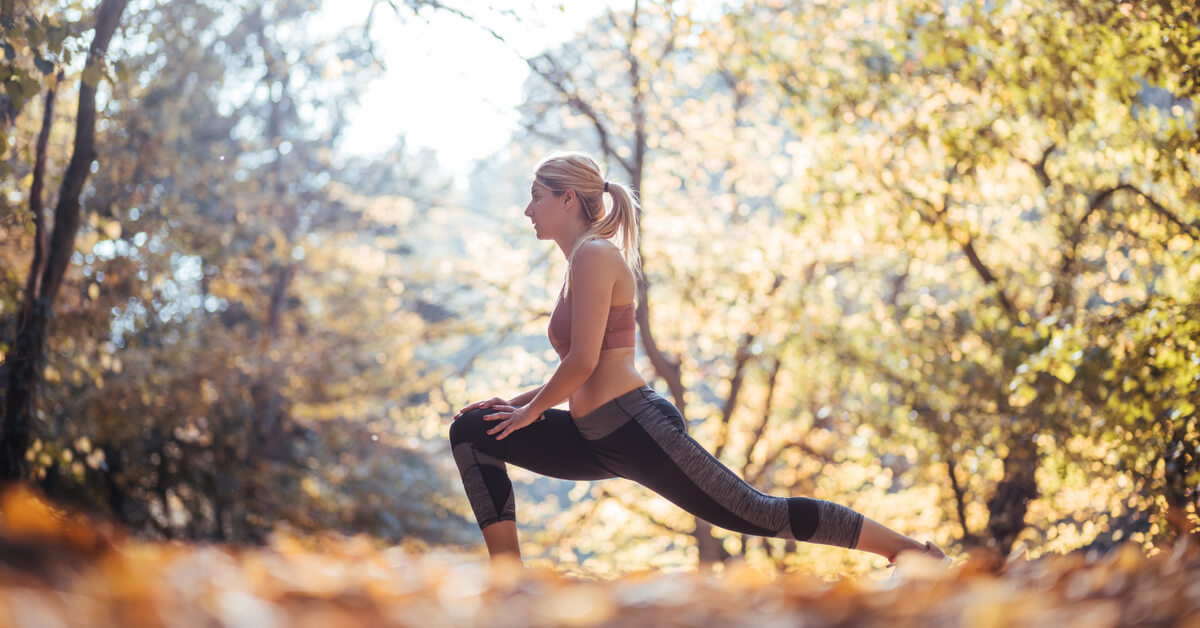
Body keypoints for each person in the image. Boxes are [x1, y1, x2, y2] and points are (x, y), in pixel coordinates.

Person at [448, 151, 945, 567]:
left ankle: (911, 554)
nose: (527, 209)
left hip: (633, 428)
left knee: (756, 513)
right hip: (593, 436)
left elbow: (582, 364)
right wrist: (508, 407)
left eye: (536, 196)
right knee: (472, 429)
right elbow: (576, 371)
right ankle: (509, 580)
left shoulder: (595, 255)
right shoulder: (576, 263)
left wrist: (526, 412)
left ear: (567, 198)